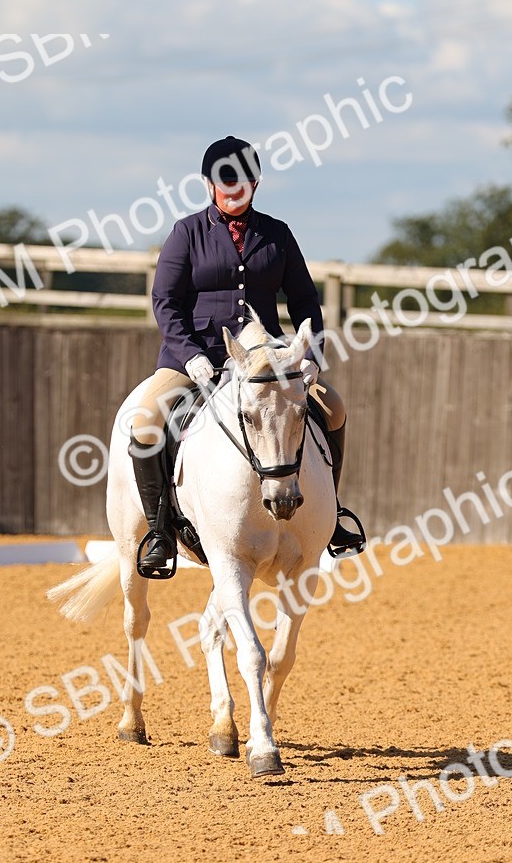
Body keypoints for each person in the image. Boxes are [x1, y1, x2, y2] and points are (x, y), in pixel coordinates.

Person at [129, 135, 364, 575]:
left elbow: (304, 299)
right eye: (225, 183)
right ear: (209, 184)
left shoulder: (277, 234)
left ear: (255, 184)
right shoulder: (187, 233)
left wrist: (310, 353)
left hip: (264, 362)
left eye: (242, 182)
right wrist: (189, 353)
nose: (233, 191)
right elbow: (165, 301)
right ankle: (160, 529)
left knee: (333, 408)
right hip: (197, 359)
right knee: (146, 422)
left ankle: (331, 515)